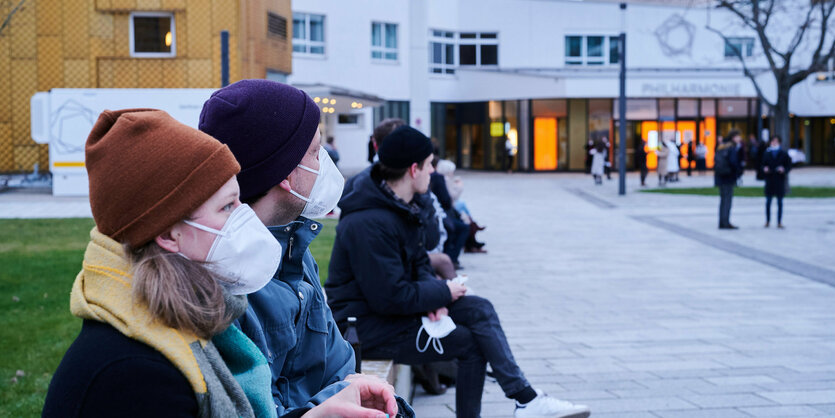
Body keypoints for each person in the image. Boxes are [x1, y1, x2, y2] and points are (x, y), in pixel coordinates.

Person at [42, 109, 398, 418]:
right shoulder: (133, 374)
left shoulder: (180, 321)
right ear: (169, 232)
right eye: (228, 206)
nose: (245, 215)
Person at [325, 125, 591, 418]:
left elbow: (420, 267)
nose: (433, 173)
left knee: (478, 308)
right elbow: (389, 296)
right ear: (414, 169)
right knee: (469, 342)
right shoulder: (369, 222)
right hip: (366, 328)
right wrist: (444, 291)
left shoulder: (401, 206)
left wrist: (437, 300)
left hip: (389, 316)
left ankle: (526, 400)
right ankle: (526, 400)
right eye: (430, 166)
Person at [198, 80, 412, 417]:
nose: (324, 162)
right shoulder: (222, 283)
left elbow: (340, 367)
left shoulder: (295, 247)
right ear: (285, 173)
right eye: (315, 152)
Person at [715, 130, 743, 229]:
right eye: (738, 137)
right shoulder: (731, 147)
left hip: (720, 176)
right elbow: (733, 162)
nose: (740, 139)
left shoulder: (721, 146)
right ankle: (726, 222)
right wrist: (738, 171)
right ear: (733, 137)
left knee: (723, 200)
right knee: (727, 200)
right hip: (728, 176)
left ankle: (722, 222)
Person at [762, 135, 791, 228]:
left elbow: (788, 165)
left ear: (779, 142)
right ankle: (767, 221)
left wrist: (784, 170)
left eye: (776, 141)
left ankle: (779, 221)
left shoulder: (783, 153)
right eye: (773, 141)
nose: (774, 143)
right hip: (769, 179)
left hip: (779, 180)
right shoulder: (766, 153)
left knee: (780, 202)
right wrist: (764, 168)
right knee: (768, 201)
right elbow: (762, 164)